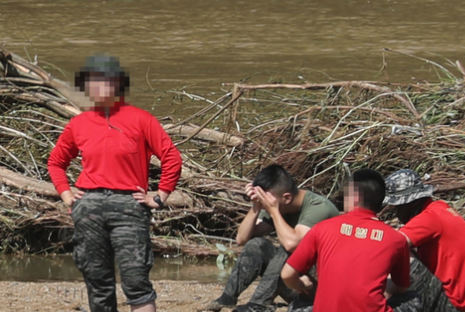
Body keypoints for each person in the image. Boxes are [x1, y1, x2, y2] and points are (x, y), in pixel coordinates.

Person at [47, 54, 182, 312]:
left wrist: (160, 195)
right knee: (98, 282)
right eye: (92, 81)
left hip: (129, 207)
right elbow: (55, 163)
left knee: (136, 281)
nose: (99, 87)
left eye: (106, 81)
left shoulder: (141, 119)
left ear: (118, 84)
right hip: (88, 207)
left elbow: (171, 157)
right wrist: (65, 194)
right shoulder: (78, 123)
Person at [203, 164, 339, 312]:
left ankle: (258, 305)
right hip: (296, 282)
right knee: (256, 245)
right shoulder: (278, 204)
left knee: (286, 251)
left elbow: (292, 245)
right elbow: (241, 239)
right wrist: (256, 206)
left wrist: (273, 210)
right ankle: (227, 298)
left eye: (266, 200)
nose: (266, 205)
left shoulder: (318, 207)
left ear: (286, 198)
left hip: (321, 287)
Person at [281, 169, 417, 312]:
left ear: (355, 197)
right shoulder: (396, 239)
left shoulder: (322, 228)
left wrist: (304, 287)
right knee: (412, 298)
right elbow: (401, 286)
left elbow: (287, 275)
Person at [383, 169, 465, 312]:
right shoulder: (440, 209)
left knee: (400, 252)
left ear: (410, 203)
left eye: (398, 207)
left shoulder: (429, 218)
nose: (397, 213)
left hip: (452, 304)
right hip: (464, 303)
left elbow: (387, 245)